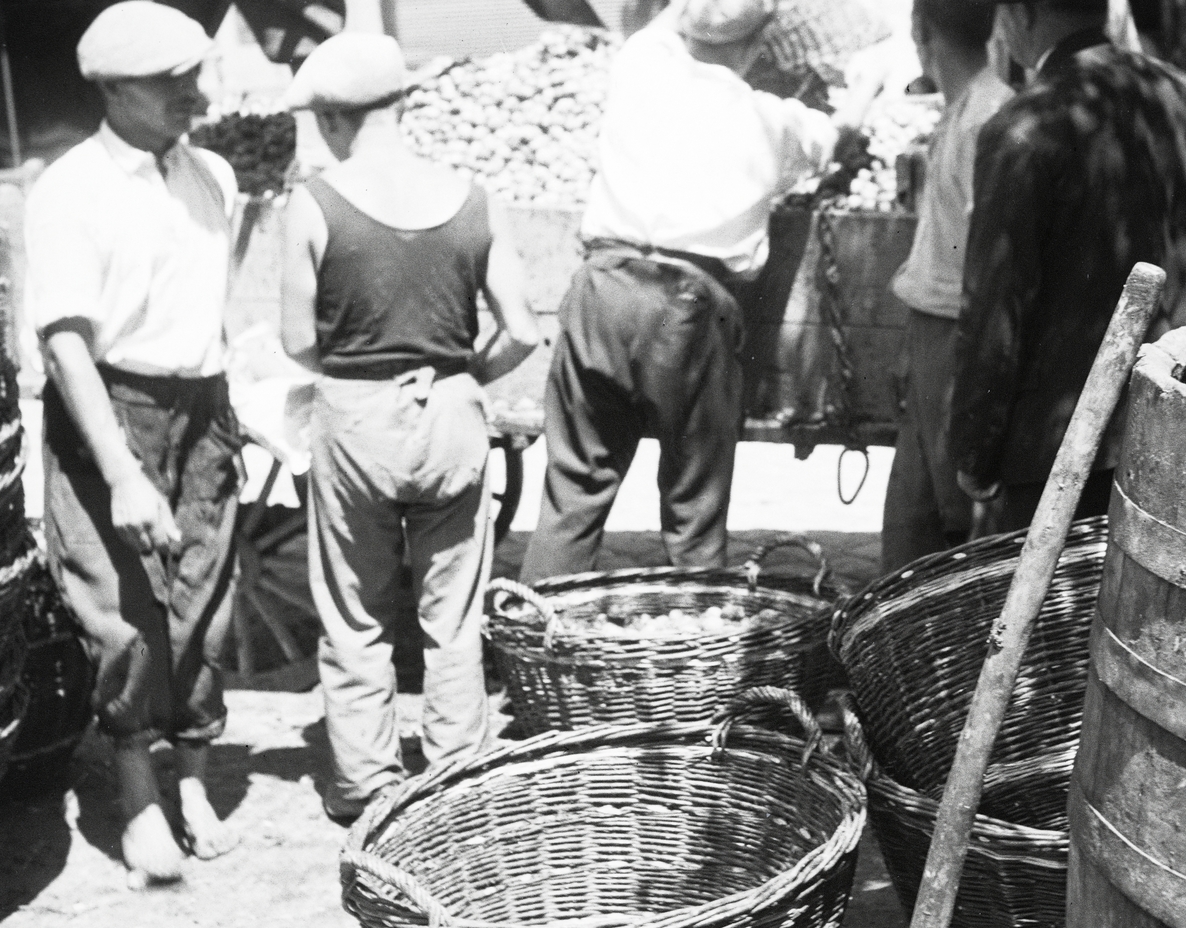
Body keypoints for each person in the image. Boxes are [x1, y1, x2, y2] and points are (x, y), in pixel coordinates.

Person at [518, 0, 881, 583]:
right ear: (758, 50)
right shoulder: (772, 121)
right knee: (694, 505)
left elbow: (659, 26)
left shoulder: (642, 65)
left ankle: (536, 641)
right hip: (686, 311)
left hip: (602, 290)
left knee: (574, 490)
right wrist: (863, 88)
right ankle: (692, 641)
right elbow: (836, 135)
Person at [281, 34, 541, 825]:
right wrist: (462, 374)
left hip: (357, 418)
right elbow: (523, 329)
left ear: (331, 117)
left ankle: (367, 783)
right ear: (401, 105)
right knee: (453, 611)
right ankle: (458, 768)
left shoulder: (314, 203)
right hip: (454, 418)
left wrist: (370, 374)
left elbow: (297, 342)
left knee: (355, 613)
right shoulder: (473, 196)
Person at [26, 1, 243, 887]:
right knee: (119, 605)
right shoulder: (69, 189)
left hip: (202, 405)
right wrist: (118, 469)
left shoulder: (213, 176)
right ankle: (137, 785)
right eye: (172, 82)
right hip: (108, 407)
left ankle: (193, 776)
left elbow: (208, 306)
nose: (195, 93)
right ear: (115, 88)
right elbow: (65, 340)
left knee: (204, 592)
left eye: (197, 73)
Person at [952, 0, 1186, 534]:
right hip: (1176, 428)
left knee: (1059, 616)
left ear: (1020, 16)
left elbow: (995, 310)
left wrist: (973, 454)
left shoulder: (1022, 128)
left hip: (1058, 463)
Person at [880, 0, 1011, 573]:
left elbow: (984, 271)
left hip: (957, 337)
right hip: (936, 333)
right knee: (913, 518)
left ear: (918, 29)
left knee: (954, 519)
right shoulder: (973, 107)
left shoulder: (986, 117)